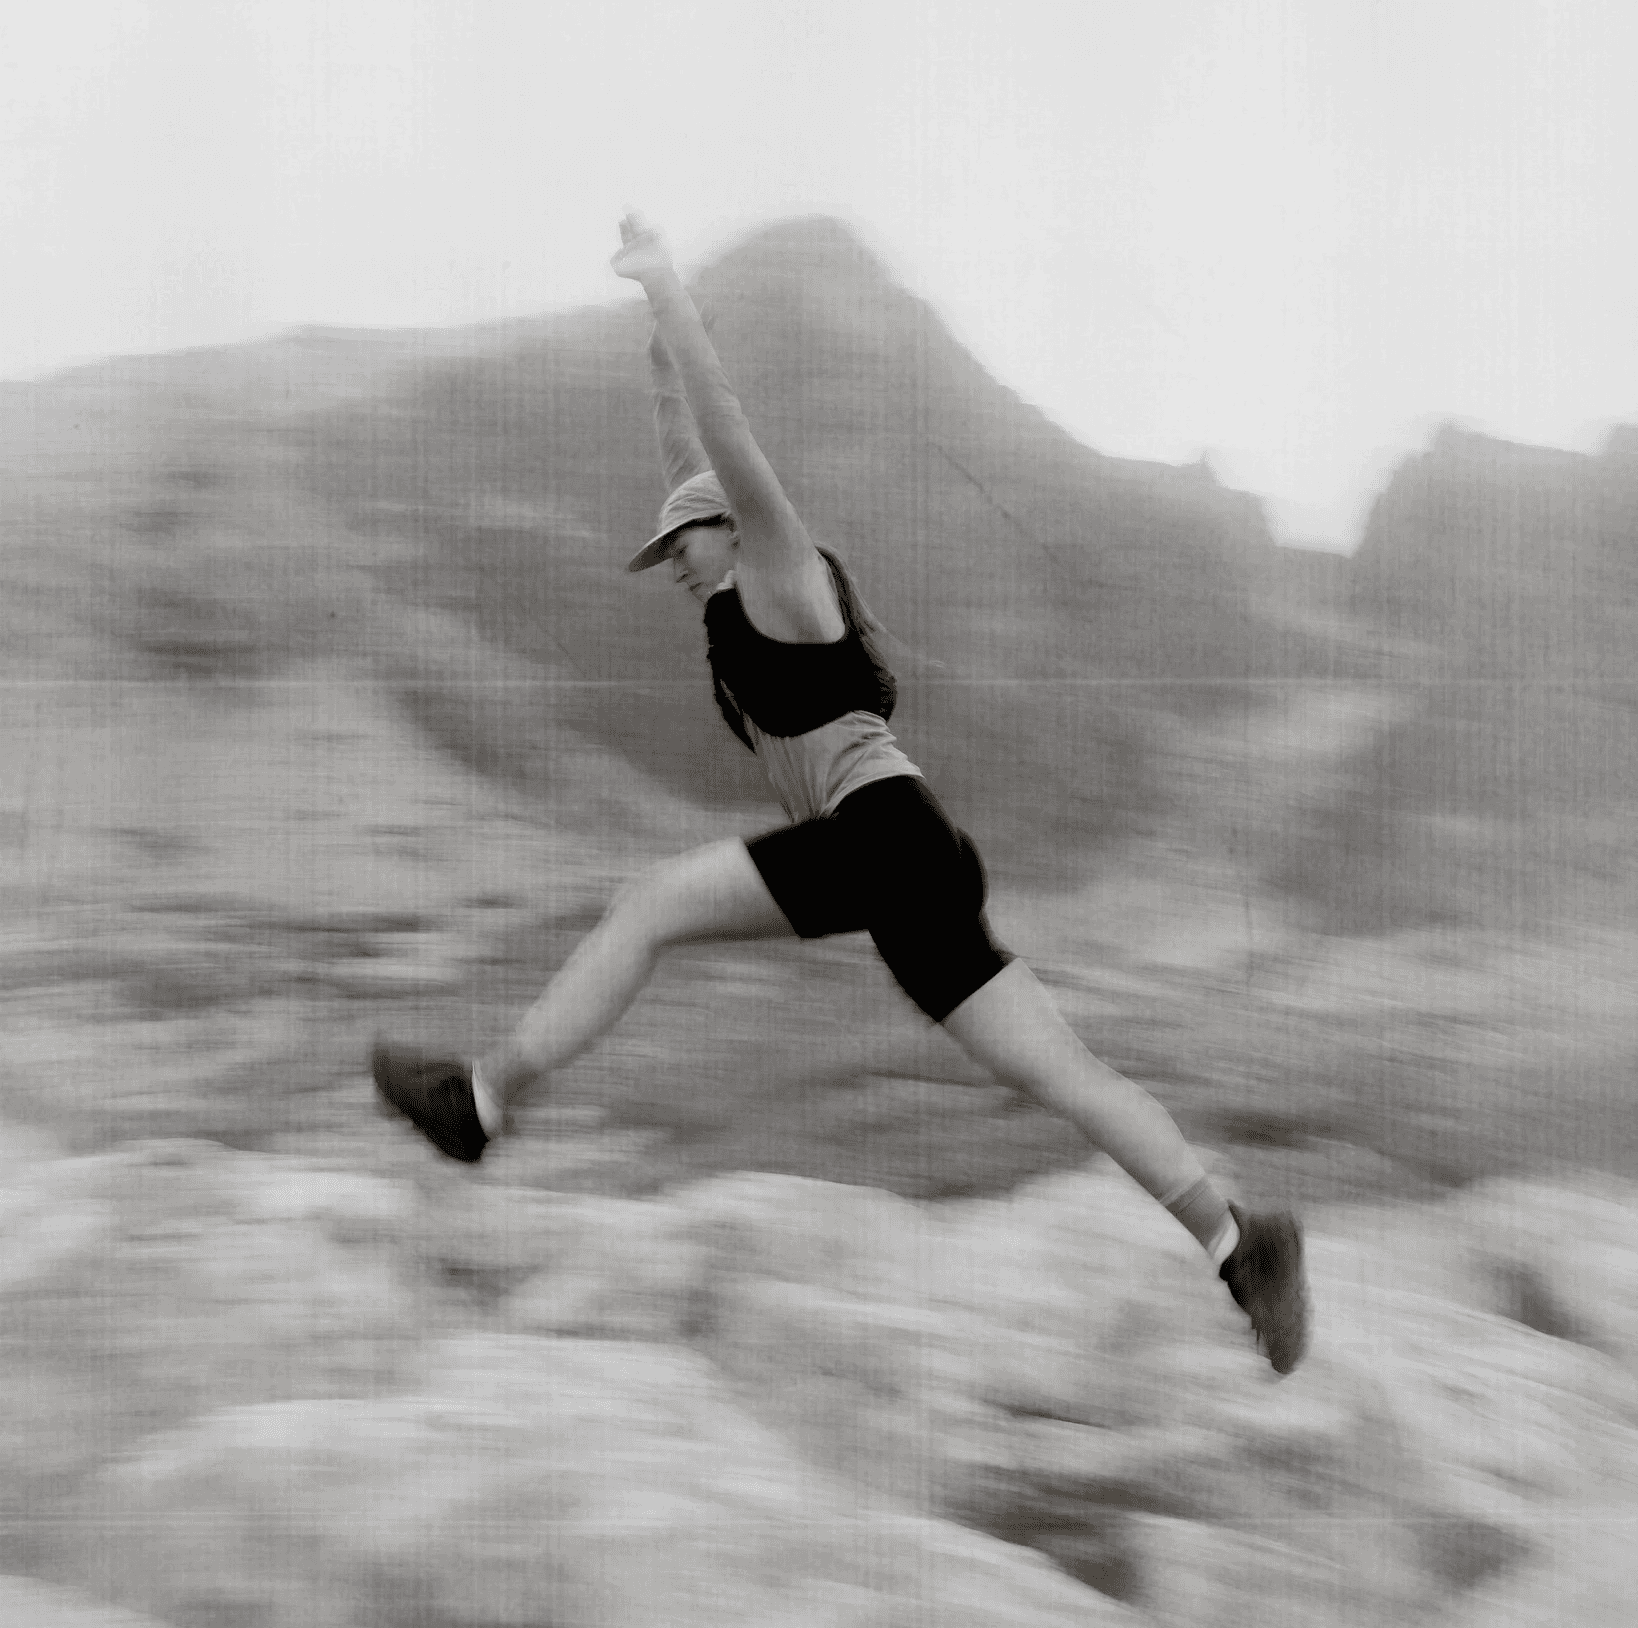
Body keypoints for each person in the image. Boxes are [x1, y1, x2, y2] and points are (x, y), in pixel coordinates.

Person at [373, 213, 1311, 1375]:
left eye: (681, 545)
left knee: (651, 906)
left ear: (730, 535)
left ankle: (483, 1100)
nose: (670, 562)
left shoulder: (785, 573)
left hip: (880, 835)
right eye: (663, 552)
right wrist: (658, 345)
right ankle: (1238, 1240)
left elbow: (726, 445)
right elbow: (689, 452)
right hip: (912, 854)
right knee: (1065, 1074)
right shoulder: (734, 597)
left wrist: (674, 302)